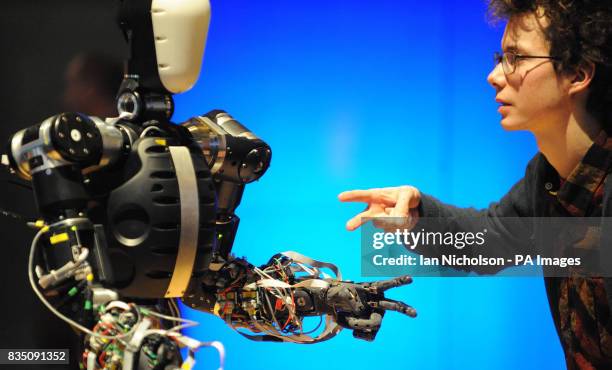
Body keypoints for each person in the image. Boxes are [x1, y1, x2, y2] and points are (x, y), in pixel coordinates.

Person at [339, 0, 612, 369]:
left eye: (516, 58)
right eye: (501, 56)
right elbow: (491, 239)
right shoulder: (546, 178)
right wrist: (418, 216)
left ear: (578, 74)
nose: (494, 75)